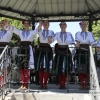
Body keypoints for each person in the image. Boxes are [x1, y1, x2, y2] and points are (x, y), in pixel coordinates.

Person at [4, 19, 38, 90]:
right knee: (22, 67)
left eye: (27, 23)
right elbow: (13, 29)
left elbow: (37, 30)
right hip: (21, 49)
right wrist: (7, 25)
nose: (26, 24)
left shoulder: (31, 32)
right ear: (23, 25)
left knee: (27, 67)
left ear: (29, 25)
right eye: (25, 23)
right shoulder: (20, 32)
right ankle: (23, 84)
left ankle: (26, 84)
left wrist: (40, 25)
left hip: (28, 49)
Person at [48, 21, 75, 89]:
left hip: (66, 51)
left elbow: (71, 41)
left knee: (66, 68)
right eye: (61, 24)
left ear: (66, 26)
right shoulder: (57, 34)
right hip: (59, 51)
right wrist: (49, 39)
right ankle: (61, 84)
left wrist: (75, 44)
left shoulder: (69, 34)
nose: (62, 25)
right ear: (59, 26)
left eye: (64, 24)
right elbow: (52, 40)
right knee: (59, 69)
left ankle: (64, 84)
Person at [75, 21, 96, 89]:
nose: (83, 25)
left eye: (85, 24)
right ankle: (81, 84)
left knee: (87, 69)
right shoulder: (77, 33)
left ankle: (86, 84)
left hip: (87, 52)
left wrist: (96, 46)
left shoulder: (89, 33)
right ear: (80, 25)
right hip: (80, 52)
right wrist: (77, 44)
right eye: (82, 24)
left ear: (86, 25)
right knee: (80, 69)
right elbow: (77, 43)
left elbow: (93, 42)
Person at [36, 20, 54, 89]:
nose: (45, 24)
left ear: (49, 24)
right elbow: (37, 30)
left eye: (47, 23)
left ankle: (45, 83)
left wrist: (50, 38)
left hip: (47, 49)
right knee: (40, 67)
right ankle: (41, 84)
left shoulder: (51, 31)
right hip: (40, 49)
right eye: (44, 23)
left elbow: (51, 38)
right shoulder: (40, 30)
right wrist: (40, 24)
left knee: (46, 67)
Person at [0, 20, 13, 87]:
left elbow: (10, 32)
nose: (2, 25)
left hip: (5, 48)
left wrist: (7, 24)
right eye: (1, 23)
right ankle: (0, 81)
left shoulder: (9, 32)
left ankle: (4, 82)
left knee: (5, 66)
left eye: (3, 23)